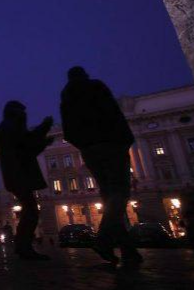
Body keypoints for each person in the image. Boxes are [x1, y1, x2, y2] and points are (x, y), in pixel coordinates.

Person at [60, 66, 143, 266]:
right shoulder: (96, 87)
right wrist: (125, 139)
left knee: (110, 196)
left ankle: (127, 249)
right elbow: (113, 112)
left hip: (90, 150)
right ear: (85, 75)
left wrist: (84, 145)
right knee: (120, 193)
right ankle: (104, 239)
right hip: (112, 144)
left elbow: (68, 130)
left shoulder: (66, 98)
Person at [0, 101, 54, 260]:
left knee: (30, 210)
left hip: (16, 175)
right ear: (16, 113)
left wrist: (43, 133)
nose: (25, 115)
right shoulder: (10, 127)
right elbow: (27, 145)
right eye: (22, 112)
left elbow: (27, 142)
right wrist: (43, 129)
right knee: (31, 211)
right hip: (18, 174)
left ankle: (23, 246)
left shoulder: (8, 126)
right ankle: (24, 247)